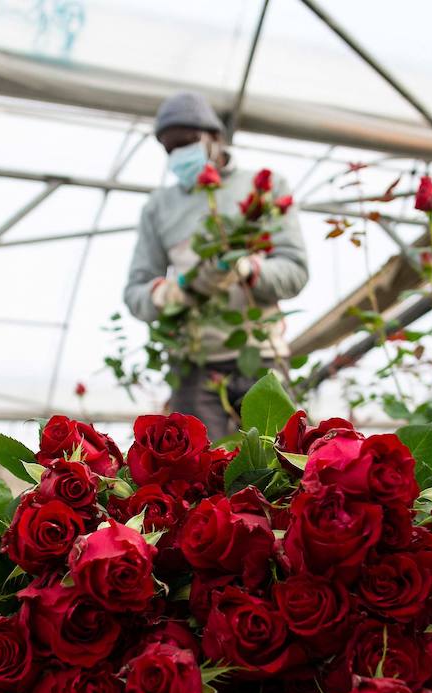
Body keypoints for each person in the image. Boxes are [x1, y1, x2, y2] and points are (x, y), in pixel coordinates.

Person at [123, 91, 309, 441]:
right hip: (194, 366)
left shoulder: (263, 189)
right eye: (169, 149)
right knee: (198, 463)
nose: (179, 155)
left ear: (216, 138)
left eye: (187, 143)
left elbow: (295, 272)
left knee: (276, 459)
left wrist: (247, 270)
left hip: (260, 359)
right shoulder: (159, 207)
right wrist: (176, 293)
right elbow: (135, 293)